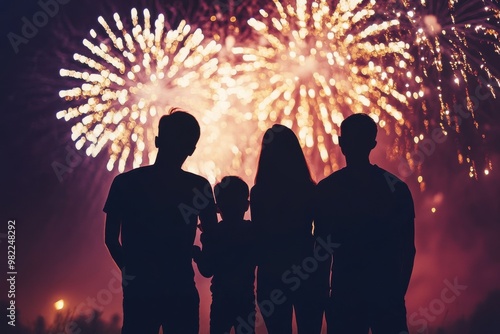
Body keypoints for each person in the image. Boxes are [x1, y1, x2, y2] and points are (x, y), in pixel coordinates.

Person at [103, 109, 217, 334]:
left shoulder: (125, 183)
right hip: (181, 288)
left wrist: (130, 271)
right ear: (192, 149)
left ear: (157, 140)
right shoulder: (199, 187)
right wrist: (204, 261)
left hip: (141, 290)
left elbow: (110, 239)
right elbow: (214, 238)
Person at [315, 113, 416, 334]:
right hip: (385, 291)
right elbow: (408, 249)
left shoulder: (327, 189)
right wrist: (397, 292)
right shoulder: (396, 188)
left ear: (341, 143)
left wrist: (326, 299)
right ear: (373, 144)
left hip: (345, 293)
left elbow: (320, 252)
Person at [250, 124, 328, 334]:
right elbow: (322, 236)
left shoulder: (259, 193)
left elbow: (258, 236)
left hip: (272, 271)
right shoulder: (310, 189)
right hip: (307, 267)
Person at [193, 176, 256, 334]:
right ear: (246, 206)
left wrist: (197, 254)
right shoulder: (252, 232)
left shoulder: (214, 234)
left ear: (217, 208)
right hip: (246, 299)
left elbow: (207, 271)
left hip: (221, 301)